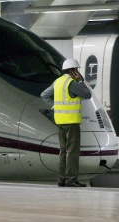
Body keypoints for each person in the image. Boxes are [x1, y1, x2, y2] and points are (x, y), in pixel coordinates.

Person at [41, 58, 91, 187]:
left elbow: (44, 95)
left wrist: (55, 106)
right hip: (72, 122)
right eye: (77, 70)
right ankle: (71, 180)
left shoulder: (57, 82)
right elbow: (87, 94)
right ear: (73, 70)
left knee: (63, 151)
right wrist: (81, 81)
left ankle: (61, 179)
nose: (79, 73)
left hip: (60, 122)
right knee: (72, 152)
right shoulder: (72, 83)